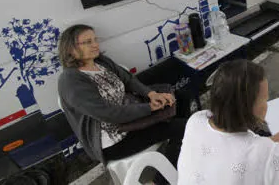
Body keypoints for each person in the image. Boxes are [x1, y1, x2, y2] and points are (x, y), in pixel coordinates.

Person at [177, 59, 279, 185]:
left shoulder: (196, 120)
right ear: (249, 108)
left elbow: (229, 150)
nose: (267, 105)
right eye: (265, 99)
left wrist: (270, 142)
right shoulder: (270, 155)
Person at [57, 24, 186, 169]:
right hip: (114, 139)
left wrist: (151, 94)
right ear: (70, 49)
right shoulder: (71, 81)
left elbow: (128, 79)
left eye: (95, 40)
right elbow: (109, 114)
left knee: (179, 98)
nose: (95, 45)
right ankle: (159, 180)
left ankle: (178, 155)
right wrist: (149, 107)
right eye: (87, 42)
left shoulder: (100, 61)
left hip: (129, 116)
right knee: (183, 128)